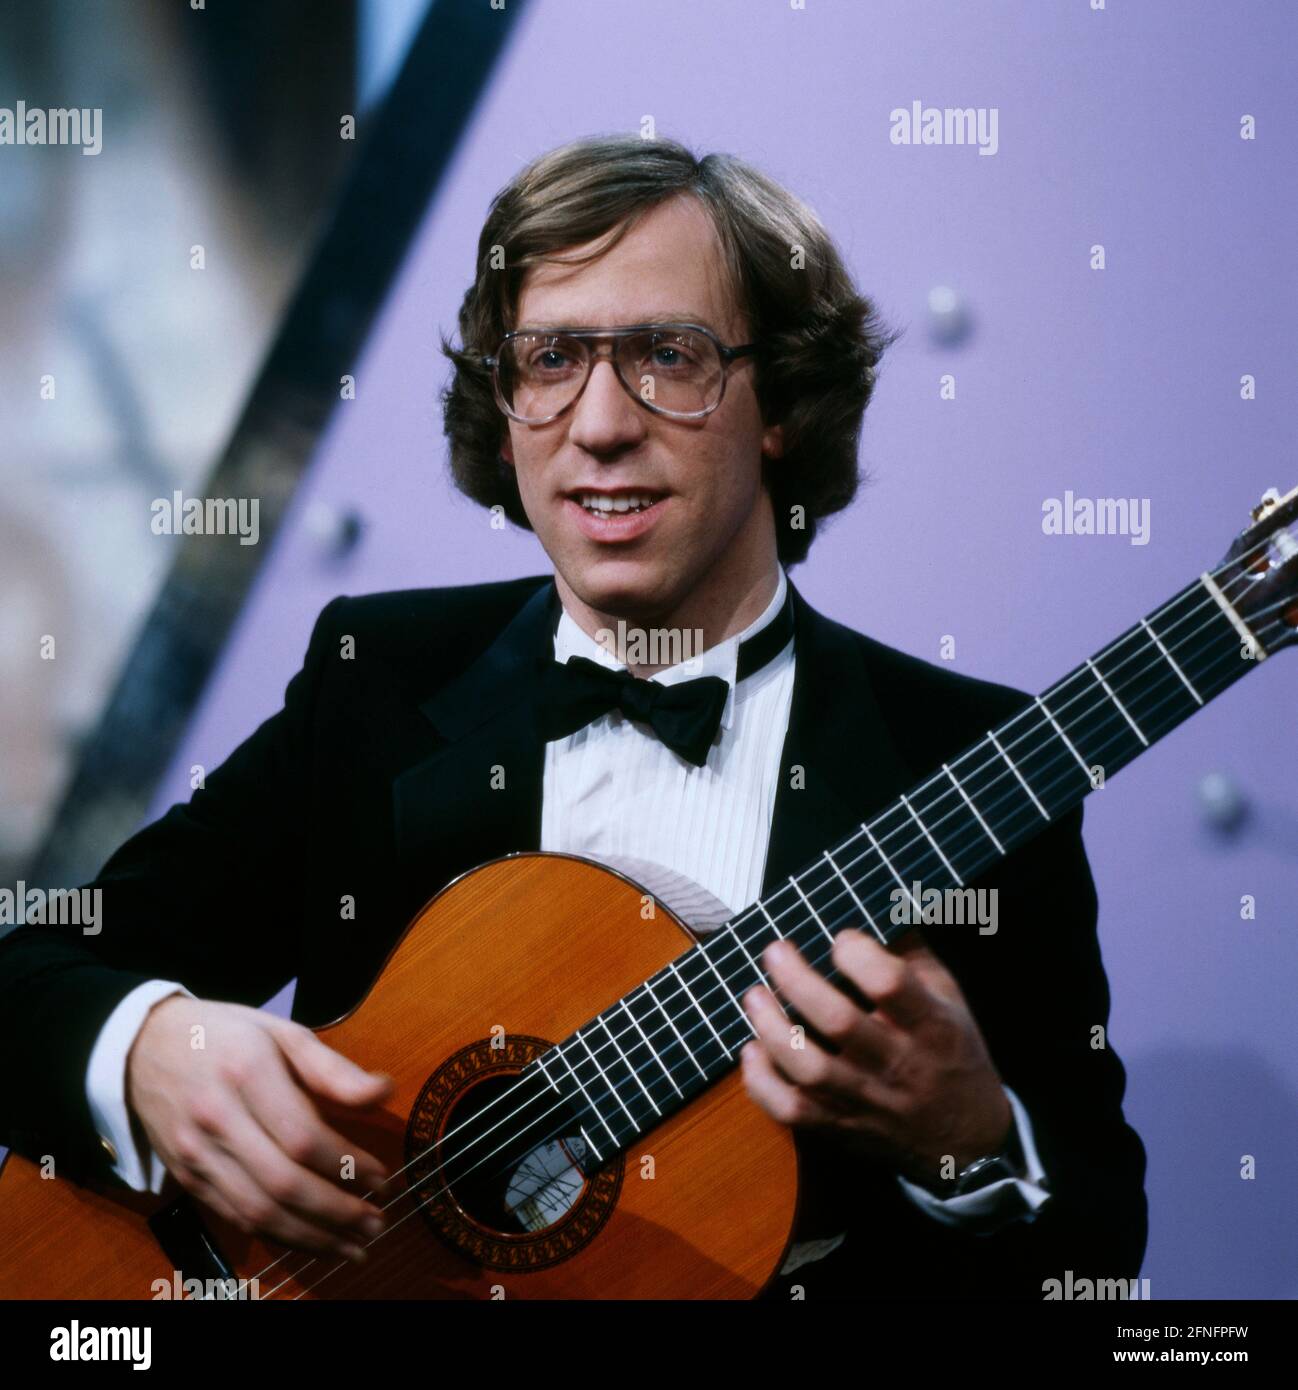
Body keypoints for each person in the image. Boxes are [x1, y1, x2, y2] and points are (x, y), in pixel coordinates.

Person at [0, 134, 1146, 1299]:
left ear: (782, 408)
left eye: (667, 355)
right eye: (548, 359)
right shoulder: (379, 676)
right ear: (502, 413)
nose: (598, 424)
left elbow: (1097, 1266)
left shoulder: (968, 761)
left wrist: (968, 1140)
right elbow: (26, 972)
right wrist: (144, 1051)